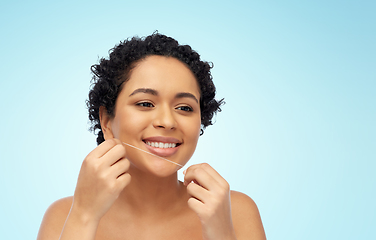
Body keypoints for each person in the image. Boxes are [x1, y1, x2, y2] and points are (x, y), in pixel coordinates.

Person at [37, 32, 266, 240]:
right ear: (106, 120)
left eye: (184, 108)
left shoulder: (236, 212)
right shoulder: (63, 216)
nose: (167, 122)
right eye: (145, 103)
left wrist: (222, 234)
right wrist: (84, 216)